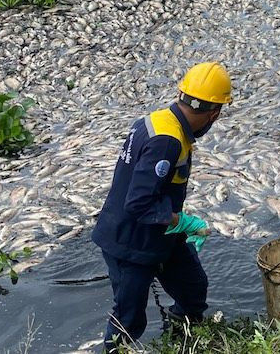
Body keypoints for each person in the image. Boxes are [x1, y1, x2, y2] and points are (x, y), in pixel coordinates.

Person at [91, 62, 233, 353]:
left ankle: (184, 341)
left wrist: (175, 225)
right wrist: (181, 221)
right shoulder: (166, 140)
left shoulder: (157, 120)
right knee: (128, 320)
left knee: (193, 289)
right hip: (130, 243)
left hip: (161, 236)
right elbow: (138, 204)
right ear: (214, 114)